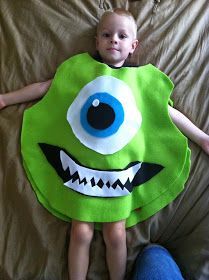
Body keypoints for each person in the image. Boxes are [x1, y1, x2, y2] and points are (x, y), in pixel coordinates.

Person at [0, 8, 209, 280]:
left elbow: (168, 113)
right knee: (80, 231)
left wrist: (201, 137)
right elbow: (45, 87)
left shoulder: (141, 81)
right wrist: (7, 99)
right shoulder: (80, 70)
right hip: (82, 166)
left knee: (116, 233)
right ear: (97, 42)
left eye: (122, 36)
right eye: (107, 35)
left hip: (118, 171)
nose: (114, 40)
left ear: (133, 46)